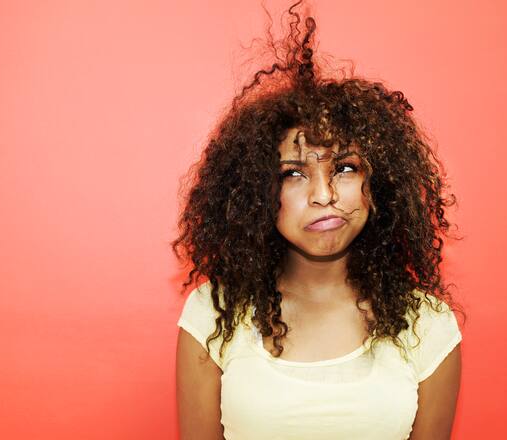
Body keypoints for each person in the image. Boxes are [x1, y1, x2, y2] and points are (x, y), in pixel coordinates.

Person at [172, 2, 465, 439]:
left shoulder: (428, 324)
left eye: (344, 168)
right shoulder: (214, 313)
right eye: (293, 174)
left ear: (378, 182)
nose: (324, 195)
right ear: (256, 192)